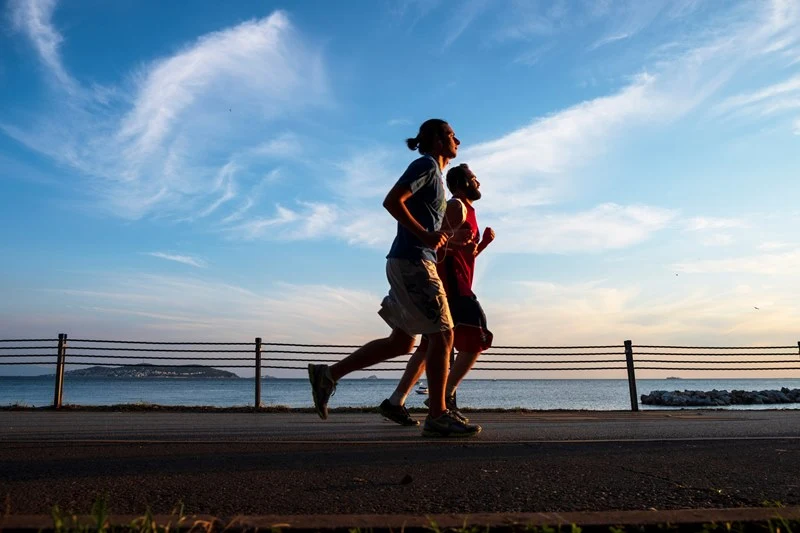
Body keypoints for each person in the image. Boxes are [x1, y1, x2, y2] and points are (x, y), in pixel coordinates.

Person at [307, 119, 482, 437]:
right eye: (451, 134)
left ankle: (329, 374)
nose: (458, 138)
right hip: (412, 262)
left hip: (409, 260)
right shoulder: (425, 165)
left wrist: (441, 240)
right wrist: (425, 237)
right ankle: (438, 414)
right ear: (436, 140)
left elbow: (426, 226)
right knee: (443, 336)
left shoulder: (436, 178)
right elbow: (392, 201)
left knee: (402, 342)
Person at [378, 163, 494, 427]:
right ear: (463, 183)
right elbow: (437, 242)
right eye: (475, 179)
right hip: (450, 282)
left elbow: (466, 252)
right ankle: (441, 399)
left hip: (456, 280)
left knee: (431, 344)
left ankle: (396, 402)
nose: (479, 183)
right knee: (477, 337)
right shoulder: (456, 206)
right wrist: (451, 240)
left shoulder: (469, 211)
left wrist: (483, 242)